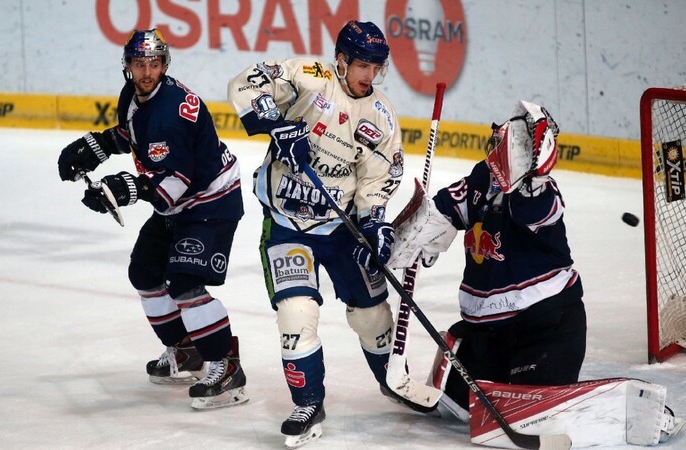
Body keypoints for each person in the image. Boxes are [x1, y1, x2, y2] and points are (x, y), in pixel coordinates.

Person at [227, 20, 418, 447]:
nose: (369, 75)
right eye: (362, 65)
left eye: (377, 67)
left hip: (340, 226)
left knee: (372, 315)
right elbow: (245, 83)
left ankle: (393, 381)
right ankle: (309, 401)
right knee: (296, 314)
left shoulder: (381, 116)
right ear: (342, 61)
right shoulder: (308, 78)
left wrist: (374, 224)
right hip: (286, 224)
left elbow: (379, 177)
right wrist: (275, 124)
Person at [56, 29, 248, 410]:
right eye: (140, 64)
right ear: (127, 66)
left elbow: (173, 183)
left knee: (185, 283)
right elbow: (131, 134)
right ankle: (187, 350)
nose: (147, 71)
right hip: (178, 199)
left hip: (210, 201)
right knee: (144, 273)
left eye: (155, 64)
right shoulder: (134, 96)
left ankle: (226, 367)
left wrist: (124, 189)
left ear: (165, 64)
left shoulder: (171, 114)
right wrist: (94, 148)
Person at [388, 100, 587, 420]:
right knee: (456, 410)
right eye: (495, 142)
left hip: (544, 326)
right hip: (487, 331)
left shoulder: (540, 194)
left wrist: (530, 176)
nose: (495, 150)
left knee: (531, 414)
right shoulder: (481, 178)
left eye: (505, 145)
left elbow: (532, 209)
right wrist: (415, 229)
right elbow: (445, 207)